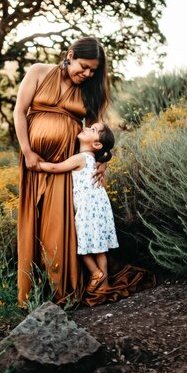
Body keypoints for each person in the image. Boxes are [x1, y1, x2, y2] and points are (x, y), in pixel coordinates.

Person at [14, 36, 153, 307]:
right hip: (34, 159)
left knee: (57, 224)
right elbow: (20, 111)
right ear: (70, 55)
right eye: (84, 66)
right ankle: (32, 289)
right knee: (34, 219)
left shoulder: (90, 89)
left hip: (66, 163)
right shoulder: (38, 72)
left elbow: (98, 132)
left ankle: (62, 288)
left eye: (92, 70)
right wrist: (28, 151)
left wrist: (104, 160)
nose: (87, 74)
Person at [37, 122, 119, 294]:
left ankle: (96, 273)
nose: (87, 128)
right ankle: (104, 285)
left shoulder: (80, 158)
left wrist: (37, 165)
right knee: (99, 246)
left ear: (96, 144)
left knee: (82, 245)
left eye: (93, 130)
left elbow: (55, 168)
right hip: (99, 208)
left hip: (87, 209)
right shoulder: (92, 160)